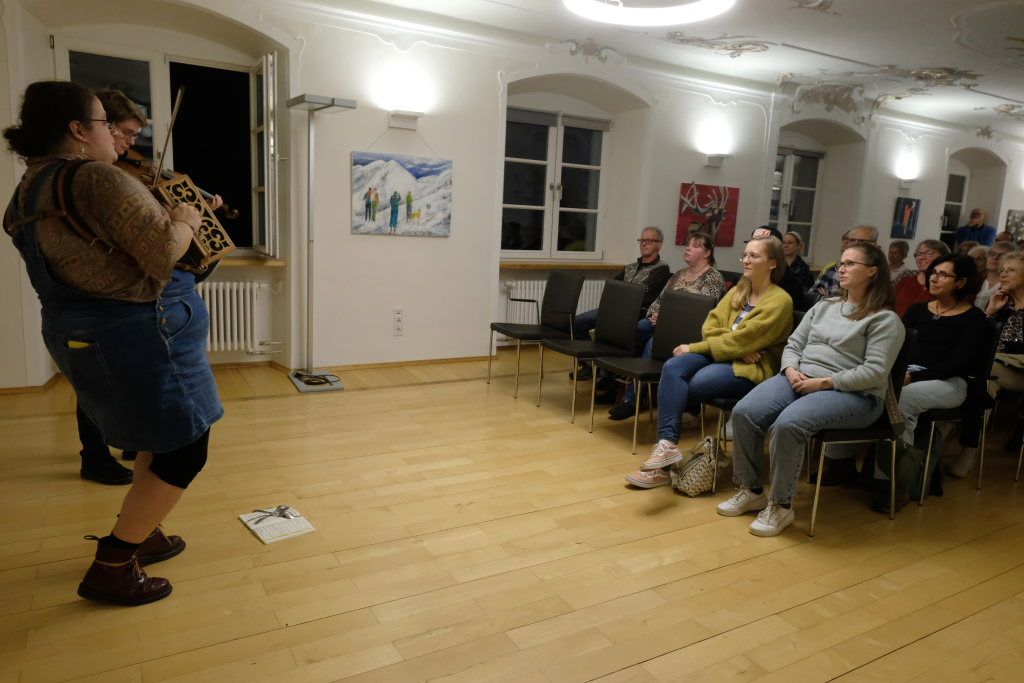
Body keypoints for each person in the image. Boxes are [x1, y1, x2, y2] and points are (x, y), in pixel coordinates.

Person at [3, 81, 222, 605]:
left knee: (156, 440)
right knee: (186, 448)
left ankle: (142, 532)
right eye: (105, 123)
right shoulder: (94, 177)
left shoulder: (28, 189)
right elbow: (163, 251)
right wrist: (184, 220)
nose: (115, 137)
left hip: (84, 333)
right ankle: (114, 564)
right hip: (140, 335)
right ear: (78, 130)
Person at [718, 242, 904, 536]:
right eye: (841, 263)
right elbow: (793, 345)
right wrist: (790, 369)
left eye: (850, 264)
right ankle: (751, 490)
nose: (841, 269)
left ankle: (780, 506)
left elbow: (874, 373)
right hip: (800, 377)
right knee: (744, 412)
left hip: (854, 394)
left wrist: (824, 382)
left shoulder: (885, 319)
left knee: (789, 424)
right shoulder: (824, 306)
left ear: (872, 271)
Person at [624, 236, 793, 487]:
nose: (746, 260)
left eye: (754, 256)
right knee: (673, 366)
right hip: (726, 354)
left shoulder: (780, 301)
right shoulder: (739, 290)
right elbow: (710, 327)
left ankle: (662, 468)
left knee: (691, 383)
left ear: (773, 263)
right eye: (745, 254)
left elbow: (742, 340)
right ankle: (666, 446)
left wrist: (707, 347)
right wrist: (737, 347)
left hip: (750, 367)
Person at [881, 255, 985, 503]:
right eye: (933, 273)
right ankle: (867, 470)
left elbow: (958, 364)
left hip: (950, 381)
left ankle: (899, 483)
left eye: (943, 274)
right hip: (908, 374)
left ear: (961, 282)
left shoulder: (974, 319)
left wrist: (913, 376)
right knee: (866, 392)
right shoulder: (917, 310)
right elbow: (897, 346)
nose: (934, 278)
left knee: (901, 400)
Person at [609, 232, 724, 420]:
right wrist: (654, 314)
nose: (688, 248)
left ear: (707, 253)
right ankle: (612, 380)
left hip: (689, 331)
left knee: (652, 343)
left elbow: (701, 313)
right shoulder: (679, 274)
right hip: (662, 323)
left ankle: (631, 399)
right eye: (688, 244)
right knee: (631, 330)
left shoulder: (713, 278)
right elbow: (659, 300)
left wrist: (665, 319)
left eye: (695, 245)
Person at [572, 227, 671, 380]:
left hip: (636, 313)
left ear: (659, 245)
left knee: (612, 332)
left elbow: (644, 295)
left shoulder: (662, 269)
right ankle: (590, 366)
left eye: (649, 240)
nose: (644, 243)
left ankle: (607, 374)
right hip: (614, 309)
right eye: (642, 240)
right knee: (579, 322)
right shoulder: (630, 267)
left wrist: (623, 293)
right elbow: (612, 287)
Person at [979, 252, 1024, 463]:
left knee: (982, 371)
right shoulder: (1000, 301)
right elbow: (976, 337)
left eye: (1011, 270)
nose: (1004, 274)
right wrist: (990, 312)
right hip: (996, 367)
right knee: (985, 383)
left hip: (1020, 370)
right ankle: (970, 450)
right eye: (1003, 270)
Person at [812, 225, 878, 298]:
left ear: (873, 244)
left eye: (861, 241)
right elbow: (813, 295)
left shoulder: (878, 271)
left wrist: (836, 296)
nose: (855, 244)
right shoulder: (833, 270)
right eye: (851, 240)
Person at [892, 239, 950, 316]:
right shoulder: (904, 282)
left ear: (943, 257)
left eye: (928, 253)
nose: (921, 258)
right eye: (918, 254)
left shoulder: (946, 287)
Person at [974, 240, 1017, 311]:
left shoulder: (1012, 289)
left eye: (1002, 256)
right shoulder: (975, 281)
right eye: (992, 254)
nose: (995, 258)